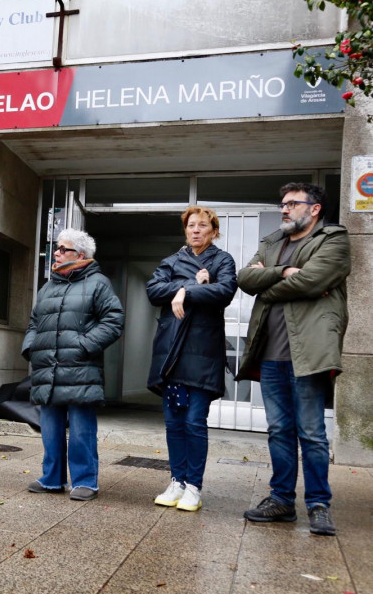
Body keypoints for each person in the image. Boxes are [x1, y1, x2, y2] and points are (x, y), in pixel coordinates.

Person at [237, 183, 350, 536]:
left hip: (308, 354)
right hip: (270, 354)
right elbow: (244, 278)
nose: (284, 209)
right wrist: (285, 272)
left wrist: (267, 282)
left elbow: (314, 281)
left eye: (291, 204)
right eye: (282, 204)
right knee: (279, 431)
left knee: (312, 433)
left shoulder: (333, 239)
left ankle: (318, 505)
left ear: (314, 209)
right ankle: (281, 500)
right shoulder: (273, 242)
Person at [146, 206, 237, 512]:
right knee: (174, 422)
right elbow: (153, 289)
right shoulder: (171, 261)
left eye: (203, 226)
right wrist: (187, 286)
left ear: (214, 231)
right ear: (185, 230)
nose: (196, 230)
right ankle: (177, 480)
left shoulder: (222, 260)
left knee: (195, 422)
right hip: (172, 353)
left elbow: (225, 291)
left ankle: (194, 486)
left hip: (203, 353)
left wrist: (192, 291)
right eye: (191, 226)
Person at [22, 229, 123, 501]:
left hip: (80, 367)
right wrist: (31, 348)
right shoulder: (49, 286)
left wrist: (83, 345)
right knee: (50, 429)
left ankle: (85, 482)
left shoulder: (98, 283)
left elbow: (113, 321)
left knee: (81, 430)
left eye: (62, 249)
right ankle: (51, 479)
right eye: (56, 247)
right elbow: (34, 322)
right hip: (48, 366)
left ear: (79, 255)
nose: (55, 252)